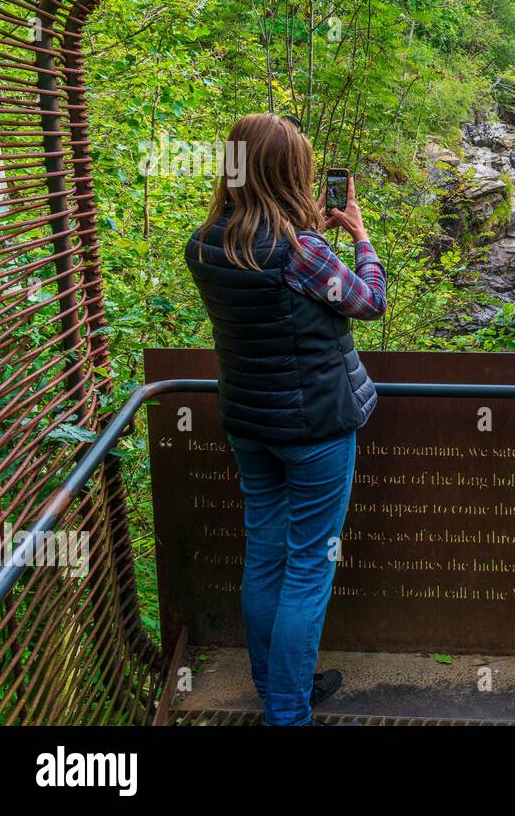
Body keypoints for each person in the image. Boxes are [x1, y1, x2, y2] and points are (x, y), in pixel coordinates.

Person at [185, 113, 386, 726]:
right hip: (316, 430)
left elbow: (267, 286)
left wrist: (307, 232)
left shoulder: (206, 243)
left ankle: (275, 686)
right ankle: (288, 714)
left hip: (249, 424)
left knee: (264, 557)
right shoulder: (303, 252)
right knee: (308, 568)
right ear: (289, 172)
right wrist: (358, 237)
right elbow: (368, 300)